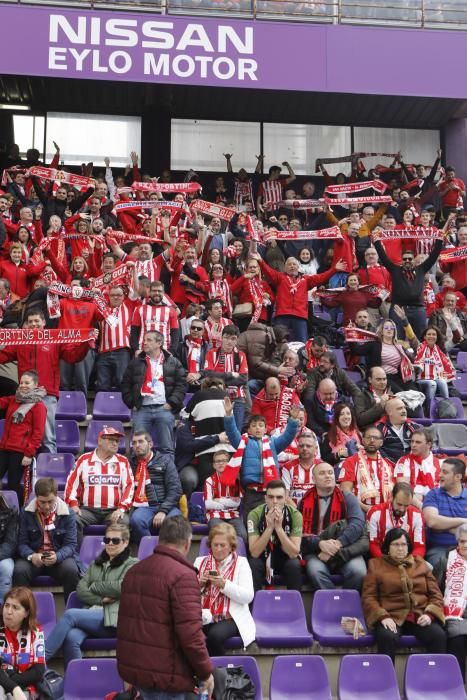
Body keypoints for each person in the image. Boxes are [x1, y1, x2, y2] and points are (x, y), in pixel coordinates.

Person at [117, 516, 214, 700]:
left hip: (139, 674)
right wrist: (205, 672)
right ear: (187, 543)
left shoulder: (133, 572)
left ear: (160, 540)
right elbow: (191, 634)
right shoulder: (183, 576)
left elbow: (125, 625)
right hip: (166, 677)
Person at [0, 309, 95, 452]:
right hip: (24, 395)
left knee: (48, 439)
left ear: (44, 322)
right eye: (30, 322)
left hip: (47, 395)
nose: (33, 324)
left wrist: (86, 343)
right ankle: (29, 474)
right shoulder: (20, 341)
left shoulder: (53, 339)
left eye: (36, 321)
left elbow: (73, 356)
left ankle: (50, 472)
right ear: (26, 325)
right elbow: (3, 356)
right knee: (22, 439)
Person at [45, 522, 137, 669]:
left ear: (125, 543)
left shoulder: (132, 564)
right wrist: (100, 599)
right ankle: (74, 682)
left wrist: (94, 586)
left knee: (70, 615)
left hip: (114, 619)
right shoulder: (96, 564)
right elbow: (81, 589)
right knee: (71, 637)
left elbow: (122, 587)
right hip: (91, 615)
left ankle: (39, 661)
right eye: (107, 540)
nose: (110, 544)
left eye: (115, 540)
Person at [361, 527, 446, 663]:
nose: (400, 548)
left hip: (419, 616)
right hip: (391, 616)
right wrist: (382, 616)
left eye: (403, 544)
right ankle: (387, 683)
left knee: (438, 635)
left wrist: (429, 615)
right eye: (396, 544)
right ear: (388, 547)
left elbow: (436, 594)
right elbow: (369, 597)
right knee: (387, 637)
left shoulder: (420, 564)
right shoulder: (376, 565)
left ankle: (435, 681)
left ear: (408, 547)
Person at [221, 396, 300, 520]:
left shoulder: (272, 443)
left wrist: (293, 420)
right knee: (251, 521)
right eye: (254, 425)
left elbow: (288, 437)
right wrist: (228, 415)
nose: (257, 428)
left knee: (273, 521)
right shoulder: (243, 442)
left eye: (261, 425)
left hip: (271, 490)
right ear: (249, 429)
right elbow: (232, 432)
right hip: (251, 491)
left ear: (265, 429)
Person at [300, 462, 367, 591]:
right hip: (316, 551)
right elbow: (300, 534)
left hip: (345, 549)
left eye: (330, 473)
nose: (328, 476)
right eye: (322, 473)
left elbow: (357, 524)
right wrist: (320, 544)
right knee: (316, 572)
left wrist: (337, 544)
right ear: (313, 479)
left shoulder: (347, 497)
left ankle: (346, 606)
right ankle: (332, 605)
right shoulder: (304, 501)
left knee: (359, 572)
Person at [252, 251, 345, 343]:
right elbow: (269, 272)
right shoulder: (280, 277)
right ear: (285, 267)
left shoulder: (306, 280)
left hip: (300, 317)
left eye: (294, 264)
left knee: (302, 344)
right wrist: (260, 260)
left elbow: (321, 277)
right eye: (289, 264)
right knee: (278, 343)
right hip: (282, 315)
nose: (292, 266)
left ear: (298, 267)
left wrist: (334, 269)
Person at [121, 330, 186, 456]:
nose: (144, 343)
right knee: (138, 448)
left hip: (164, 408)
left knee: (167, 448)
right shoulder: (136, 362)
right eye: (144, 340)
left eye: (149, 340)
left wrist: (171, 403)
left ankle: (167, 475)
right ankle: (138, 475)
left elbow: (181, 385)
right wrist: (131, 403)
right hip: (142, 409)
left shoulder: (173, 362)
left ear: (159, 343)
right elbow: (125, 385)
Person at [14, 478, 80, 602]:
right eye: (42, 502)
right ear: (36, 497)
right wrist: (31, 556)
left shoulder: (68, 513)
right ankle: (23, 614)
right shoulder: (26, 512)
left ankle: (71, 612)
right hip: (34, 558)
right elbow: (21, 543)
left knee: (71, 570)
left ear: (56, 495)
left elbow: (71, 545)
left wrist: (58, 556)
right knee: (19, 570)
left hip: (58, 558)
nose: (46, 506)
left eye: (50, 501)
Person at [194, 522, 255, 655]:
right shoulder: (200, 562)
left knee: (214, 636)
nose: (219, 549)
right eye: (215, 545)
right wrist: (199, 585)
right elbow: (188, 595)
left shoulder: (241, 563)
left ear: (231, 547)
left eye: (223, 545)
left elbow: (248, 596)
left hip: (230, 617)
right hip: (203, 615)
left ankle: (221, 672)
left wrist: (224, 585)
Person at [64, 426, 134, 542]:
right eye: (111, 440)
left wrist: (121, 509)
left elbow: (129, 486)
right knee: (73, 518)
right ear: (100, 441)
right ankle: (75, 556)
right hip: (88, 510)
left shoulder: (123, 461)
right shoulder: (84, 460)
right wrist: (73, 505)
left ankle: (118, 559)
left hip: (113, 511)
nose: (115, 443)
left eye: (117, 441)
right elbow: (71, 484)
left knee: (123, 522)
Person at [374, 233, 444, 339]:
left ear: (414, 260)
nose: (407, 261)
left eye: (410, 259)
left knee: (421, 338)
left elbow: (433, 256)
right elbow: (383, 256)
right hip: (398, 309)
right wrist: (376, 241)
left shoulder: (421, 269)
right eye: (405, 259)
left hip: (418, 309)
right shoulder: (395, 269)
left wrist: (439, 240)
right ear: (402, 260)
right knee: (397, 338)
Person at [247, 480, 303, 593]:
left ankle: (295, 608)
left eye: (279, 497)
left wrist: (278, 528)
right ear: (265, 498)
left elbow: (293, 553)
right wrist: (269, 528)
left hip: (285, 555)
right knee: (253, 564)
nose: (275, 501)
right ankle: (252, 608)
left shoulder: (296, 515)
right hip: (263, 555)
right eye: (271, 497)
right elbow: (254, 552)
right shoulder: (254, 514)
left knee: (294, 565)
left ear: (286, 497)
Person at [0, 371, 46, 505]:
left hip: (20, 451)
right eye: (21, 382)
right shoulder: (14, 399)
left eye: (27, 383)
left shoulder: (39, 406)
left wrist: (29, 454)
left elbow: (38, 433)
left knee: (13, 484)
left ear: (35, 384)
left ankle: (18, 512)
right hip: (4, 447)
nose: (23, 385)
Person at [129, 431, 182, 543]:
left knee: (174, 522)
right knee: (136, 520)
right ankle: (149, 553)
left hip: (167, 506)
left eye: (140, 441)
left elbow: (175, 489)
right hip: (144, 507)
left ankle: (167, 557)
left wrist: (163, 511)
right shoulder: (130, 463)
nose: (137, 445)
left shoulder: (165, 460)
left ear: (150, 444)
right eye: (134, 443)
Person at [434, 524, 467, 681]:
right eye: (461, 541)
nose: (464, 545)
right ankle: (457, 687)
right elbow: (435, 592)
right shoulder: (445, 561)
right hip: (454, 615)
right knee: (458, 637)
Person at [0, 586, 45, 699]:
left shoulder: (35, 632)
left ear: (26, 613)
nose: (8, 612)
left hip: (25, 685)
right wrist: (13, 687)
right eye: (7, 605)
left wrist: (14, 683)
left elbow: (38, 671)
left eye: (15, 607)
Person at [339, 425, 394, 513]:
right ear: (363, 441)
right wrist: (368, 509)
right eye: (368, 437)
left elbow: (394, 493)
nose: (372, 440)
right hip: (359, 510)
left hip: (386, 511)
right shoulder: (351, 462)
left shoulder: (388, 464)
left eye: (375, 438)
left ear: (381, 442)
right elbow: (346, 491)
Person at [423, 458, 467, 567]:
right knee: (441, 561)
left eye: (445, 472)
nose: (440, 475)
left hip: (465, 546)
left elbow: (437, 523)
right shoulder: (433, 494)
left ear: (458, 477)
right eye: (440, 471)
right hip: (439, 548)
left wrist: (444, 526)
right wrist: (463, 521)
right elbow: (432, 522)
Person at [203, 324, 248, 431]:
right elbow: (208, 375)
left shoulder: (241, 355)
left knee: (236, 432)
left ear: (236, 341)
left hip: (237, 399)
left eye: (233, 339)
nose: (229, 341)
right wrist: (230, 375)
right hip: (217, 398)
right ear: (221, 338)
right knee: (217, 431)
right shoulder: (212, 353)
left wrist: (219, 378)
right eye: (226, 338)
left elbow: (243, 379)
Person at [367, 482, 425, 558]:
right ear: (391, 497)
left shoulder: (417, 515)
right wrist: (387, 562)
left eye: (406, 505)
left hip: (408, 560)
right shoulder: (375, 512)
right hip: (383, 559)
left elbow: (419, 547)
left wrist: (408, 562)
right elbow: (373, 544)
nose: (402, 509)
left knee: (429, 567)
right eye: (399, 504)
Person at [204, 451, 247, 541]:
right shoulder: (209, 481)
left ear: (228, 463)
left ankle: (236, 555)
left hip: (233, 515)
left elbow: (236, 503)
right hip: (215, 515)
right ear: (214, 465)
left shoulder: (235, 480)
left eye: (224, 460)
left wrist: (218, 500)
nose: (220, 463)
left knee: (242, 536)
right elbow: (208, 504)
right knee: (219, 536)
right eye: (217, 461)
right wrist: (227, 503)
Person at [394, 428, 441, 509]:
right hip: (413, 506)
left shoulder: (440, 463)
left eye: (418, 442)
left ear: (429, 445)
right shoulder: (404, 461)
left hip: (437, 504)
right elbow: (404, 490)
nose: (413, 445)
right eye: (412, 441)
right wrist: (423, 507)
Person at [414, 325, 455, 405]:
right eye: (429, 334)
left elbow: (456, 339)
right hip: (420, 379)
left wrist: (451, 322)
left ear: (437, 337)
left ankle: (447, 406)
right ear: (425, 337)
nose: (431, 336)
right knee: (432, 383)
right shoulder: (418, 347)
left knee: (442, 382)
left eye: (434, 334)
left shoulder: (441, 350)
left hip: (435, 378)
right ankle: (429, 409)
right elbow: (411, 336)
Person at [376, 398, 421, 464]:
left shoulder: (414, 427)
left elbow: (423, 447)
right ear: (389, 412)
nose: (404, 411)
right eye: (399, 408)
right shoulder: (379, 428)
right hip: (389, 466)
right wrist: (392, 464)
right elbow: (377, 450)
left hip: (412, 465)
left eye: (404, 408)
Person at [282, 432, 320, 505]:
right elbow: (285, 496)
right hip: (294, 512)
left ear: (316, 449)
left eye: (308, 446)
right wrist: (298, 513)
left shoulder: (322, 467)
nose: (304, 448)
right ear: (297, 447)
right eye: (301, 446)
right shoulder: (288, 467)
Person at [320, 403, 362, 470]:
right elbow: (325, 458)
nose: (346, 417)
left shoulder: (358, 434)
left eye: (348, 414)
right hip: (340, 471)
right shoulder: (330, 436)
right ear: (337, 418)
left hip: (359, 469)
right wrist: (345, 453)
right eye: (342, 414)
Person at [0, 493, 18, 604]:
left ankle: (2, 611)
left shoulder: (10, 510)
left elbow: (10, 543)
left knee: (6, 569)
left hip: (3, 554)